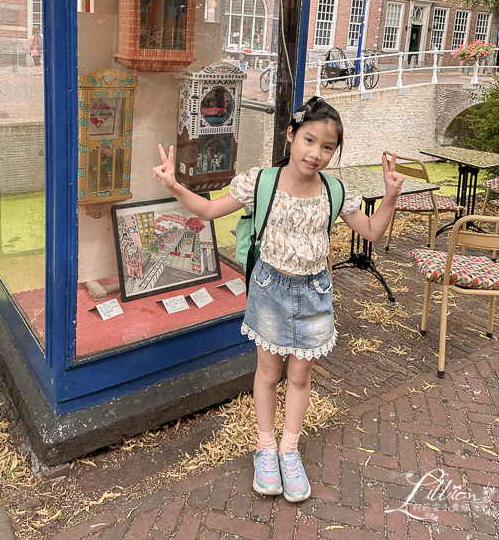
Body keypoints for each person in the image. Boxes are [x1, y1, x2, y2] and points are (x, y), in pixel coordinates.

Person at [152, 97, 404, 503]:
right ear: (291, 135)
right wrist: (174, 185)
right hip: (270, 289)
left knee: (300, 377)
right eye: (309, 140)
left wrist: (390, 195)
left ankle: (289, 450)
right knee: (269, 374)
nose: (316, 153)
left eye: (327, 147)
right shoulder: (262, 181)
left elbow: (372, 232)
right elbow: (211, 210)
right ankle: (265, 448)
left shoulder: (335, 190)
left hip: (315, 292)